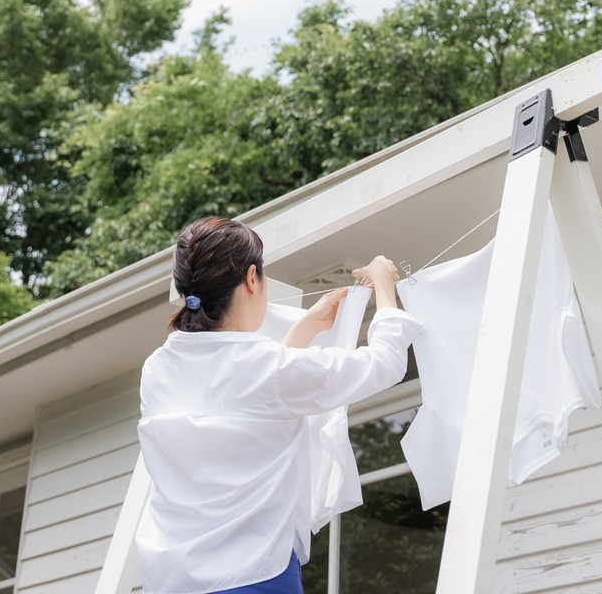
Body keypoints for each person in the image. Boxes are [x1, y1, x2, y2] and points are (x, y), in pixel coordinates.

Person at [136, 216, 422, 594]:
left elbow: (246, 404)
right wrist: (385, 286)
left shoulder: (157, 369)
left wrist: (306, 328)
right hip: (253, 576)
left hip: (171, 579)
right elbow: (384, 363)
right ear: (252, 278)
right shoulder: (268, 367)